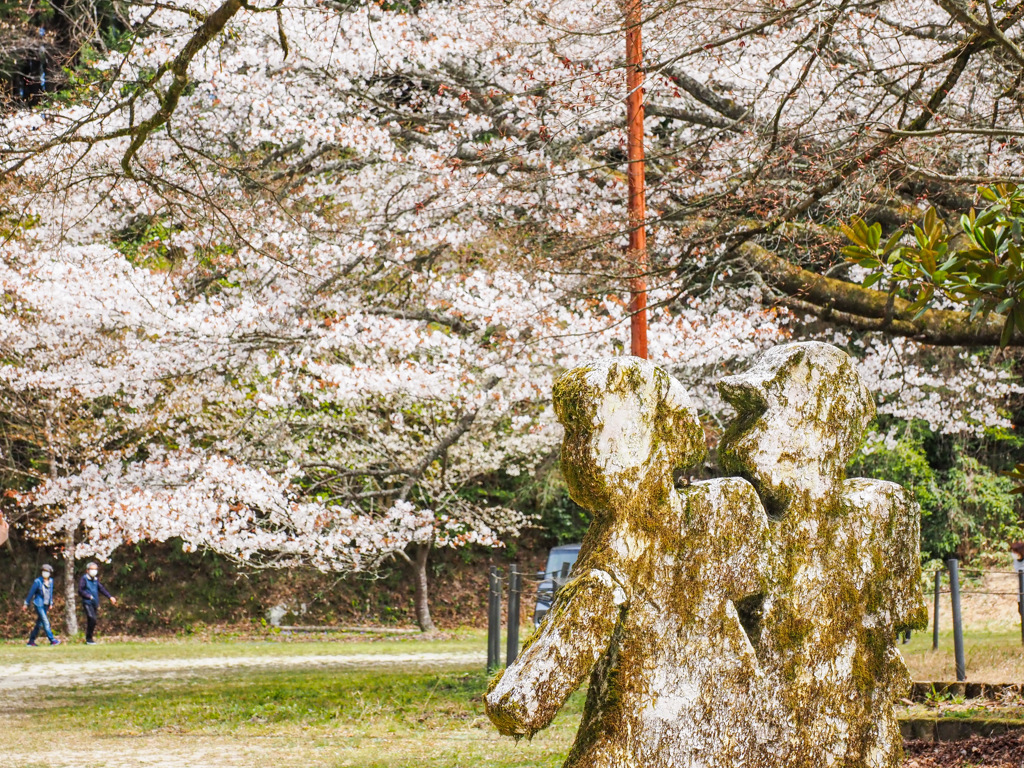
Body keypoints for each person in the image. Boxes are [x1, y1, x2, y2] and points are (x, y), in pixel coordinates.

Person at [78, 561, 117, 644]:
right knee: (92, 618)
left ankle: (89, 638)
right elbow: (80, 590)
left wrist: (110, 597)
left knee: (93, 621)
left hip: (94, 602)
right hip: (87, 602)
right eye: (92, 569)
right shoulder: (84, 579)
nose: (94, 571)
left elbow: (101, 589)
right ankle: (89, 639)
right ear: (87, 570)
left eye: (95, 569)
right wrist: (88, 596)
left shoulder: (95, 580)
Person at [23, 563, 61, 646]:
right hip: (38, 604)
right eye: (44, 571)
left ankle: (31, 641)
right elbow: (31, 593)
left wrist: (51, 602)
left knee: (39, 624)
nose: (45, 573)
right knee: (45, 622)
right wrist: (26, 603)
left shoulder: (51, 581)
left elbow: (50, 592)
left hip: (46, 604)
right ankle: (52, 640)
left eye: (47, 571)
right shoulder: (37, 581)